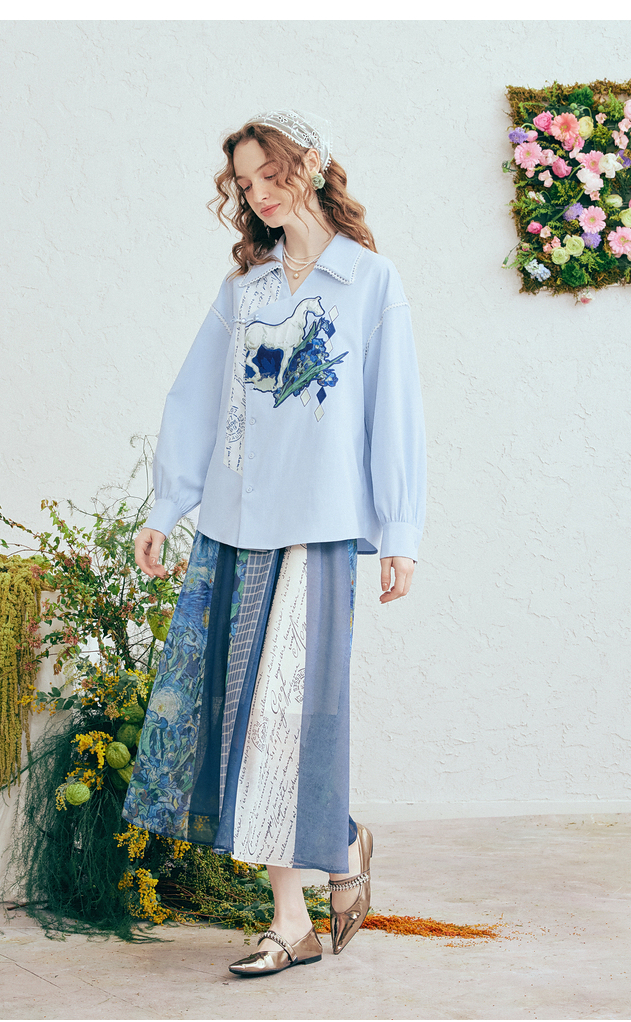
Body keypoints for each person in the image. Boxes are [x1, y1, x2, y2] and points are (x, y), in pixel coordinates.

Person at [123, 109, 426, 977]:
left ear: (313, 167)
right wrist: (167, 507)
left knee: (290, 717)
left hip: (320, 527)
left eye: (270, 174)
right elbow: (194, 400)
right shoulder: (246, 292)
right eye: (244, 182)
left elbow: (394, 409)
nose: (257, 194)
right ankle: (293, 915)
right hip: (237, 526)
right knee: (244, 719)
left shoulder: (368, 280)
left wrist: (400, 529)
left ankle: (336, 845)